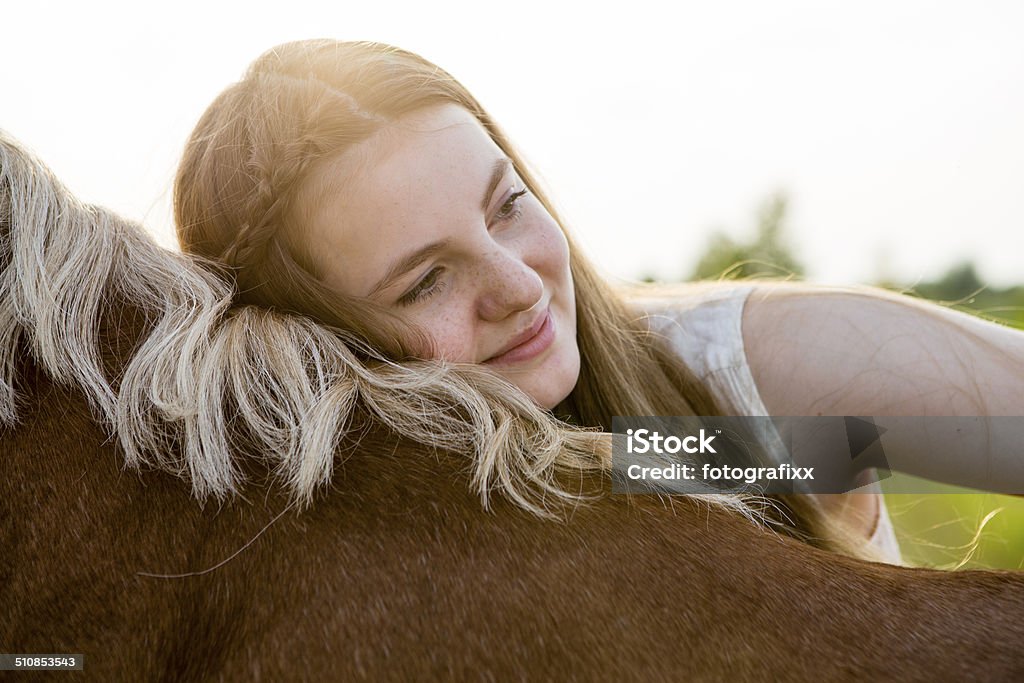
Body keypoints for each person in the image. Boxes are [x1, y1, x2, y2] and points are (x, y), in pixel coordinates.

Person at [173, 39, 1024, 566]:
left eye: (508, 205)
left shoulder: (740, 377)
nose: (518, 286)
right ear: (311, 349)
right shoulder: (310, 556)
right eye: (425, 280)